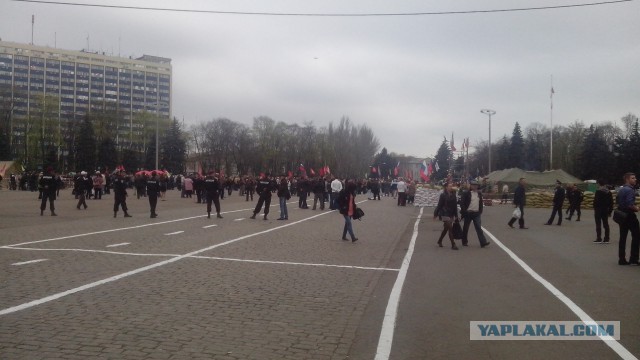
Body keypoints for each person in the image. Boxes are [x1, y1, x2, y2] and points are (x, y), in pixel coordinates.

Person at [616, 172, 640, 265]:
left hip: (622, 215)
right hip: (630, 216)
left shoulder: (621, 189)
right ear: (627, 179)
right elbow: (630, 204)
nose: (635, 179)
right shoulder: (630, 190)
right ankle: (633, 259)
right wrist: (636, 208)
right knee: (636, 236)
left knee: (623, 237)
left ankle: (621, 259)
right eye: (633, 178)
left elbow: (618, 201)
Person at [461, 180, 490, 248]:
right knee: (466, 228)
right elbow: (462, 203)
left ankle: (483, 242)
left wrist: (480, 211)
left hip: (476, 213)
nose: (475, 186)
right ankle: (464, 241)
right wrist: (464, 212)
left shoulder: (479, 193)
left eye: (476, 185)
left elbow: (480, 202)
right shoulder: (466, 193)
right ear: (470, 186)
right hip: (468, 212)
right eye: (473, 185)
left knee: (478, 228)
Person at [434, 182, 458, 250]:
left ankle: (440, 240)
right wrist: (436, 214)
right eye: (449, 186)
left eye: (451, 186)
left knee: (446, 228)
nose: (451, 187)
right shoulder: (443, 195)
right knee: (450, 227)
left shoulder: (454, 195)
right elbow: (439, 205)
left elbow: (455, 206)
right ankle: (453, 244)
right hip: (444, 213)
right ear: (446, 187)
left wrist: (456, 215)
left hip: (451, 214)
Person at [593, 179, 613, 244]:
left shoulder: (598, 191)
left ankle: (599, 238)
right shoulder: (608, 192)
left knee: (598, 224)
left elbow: (595, 202)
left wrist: (595, 208)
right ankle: (606, 239)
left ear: (599, 184)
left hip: (598, 210)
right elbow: (611, 203)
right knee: (606, 224)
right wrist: (610, 211)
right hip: (605, 210)